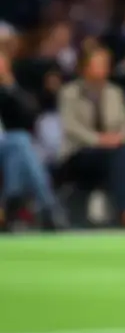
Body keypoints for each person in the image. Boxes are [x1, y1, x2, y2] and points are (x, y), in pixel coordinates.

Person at [58, 47, 125, 227]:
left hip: (112, 150)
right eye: (97, 64)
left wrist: (118, 139)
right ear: (84, 67)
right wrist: (99, 140)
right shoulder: (69, 92)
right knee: (119, 155)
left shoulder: (115, 92)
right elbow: (71, 127)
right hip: (80, 152)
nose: (102, 68)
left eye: (105, 64)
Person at [0, 51, 65, 231]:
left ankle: (9, 206)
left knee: (19, 148)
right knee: (20, 142)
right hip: (11, 143)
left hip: (8, 146)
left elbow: (32, 114)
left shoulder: (8, 93)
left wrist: (11, 86)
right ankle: (47, 206)